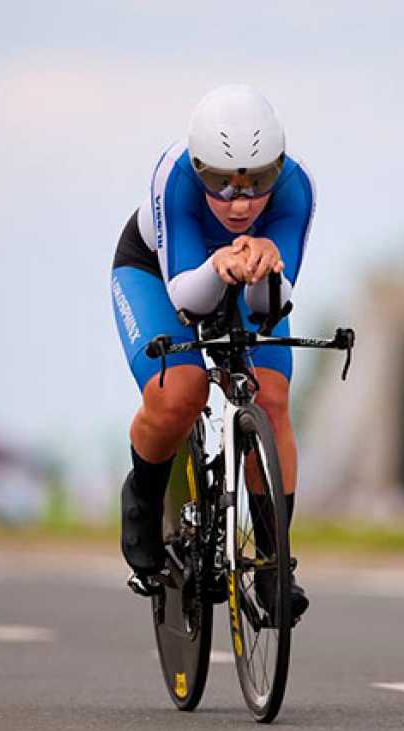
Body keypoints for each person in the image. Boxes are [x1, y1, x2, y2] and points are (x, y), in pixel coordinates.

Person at [109, 85, 315, 622]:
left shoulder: (298, 189)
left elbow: (270, 307)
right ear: (199, 168)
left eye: (257, 183)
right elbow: (187, 301)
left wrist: (265, 266)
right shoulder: (174, 175)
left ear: (278, 168)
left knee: (271, 397)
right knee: (181, 391)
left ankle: (274, 564)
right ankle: (143, 500)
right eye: (220, 184)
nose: (240, 202)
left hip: (244, 280)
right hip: (160, 276)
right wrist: (219, 264)